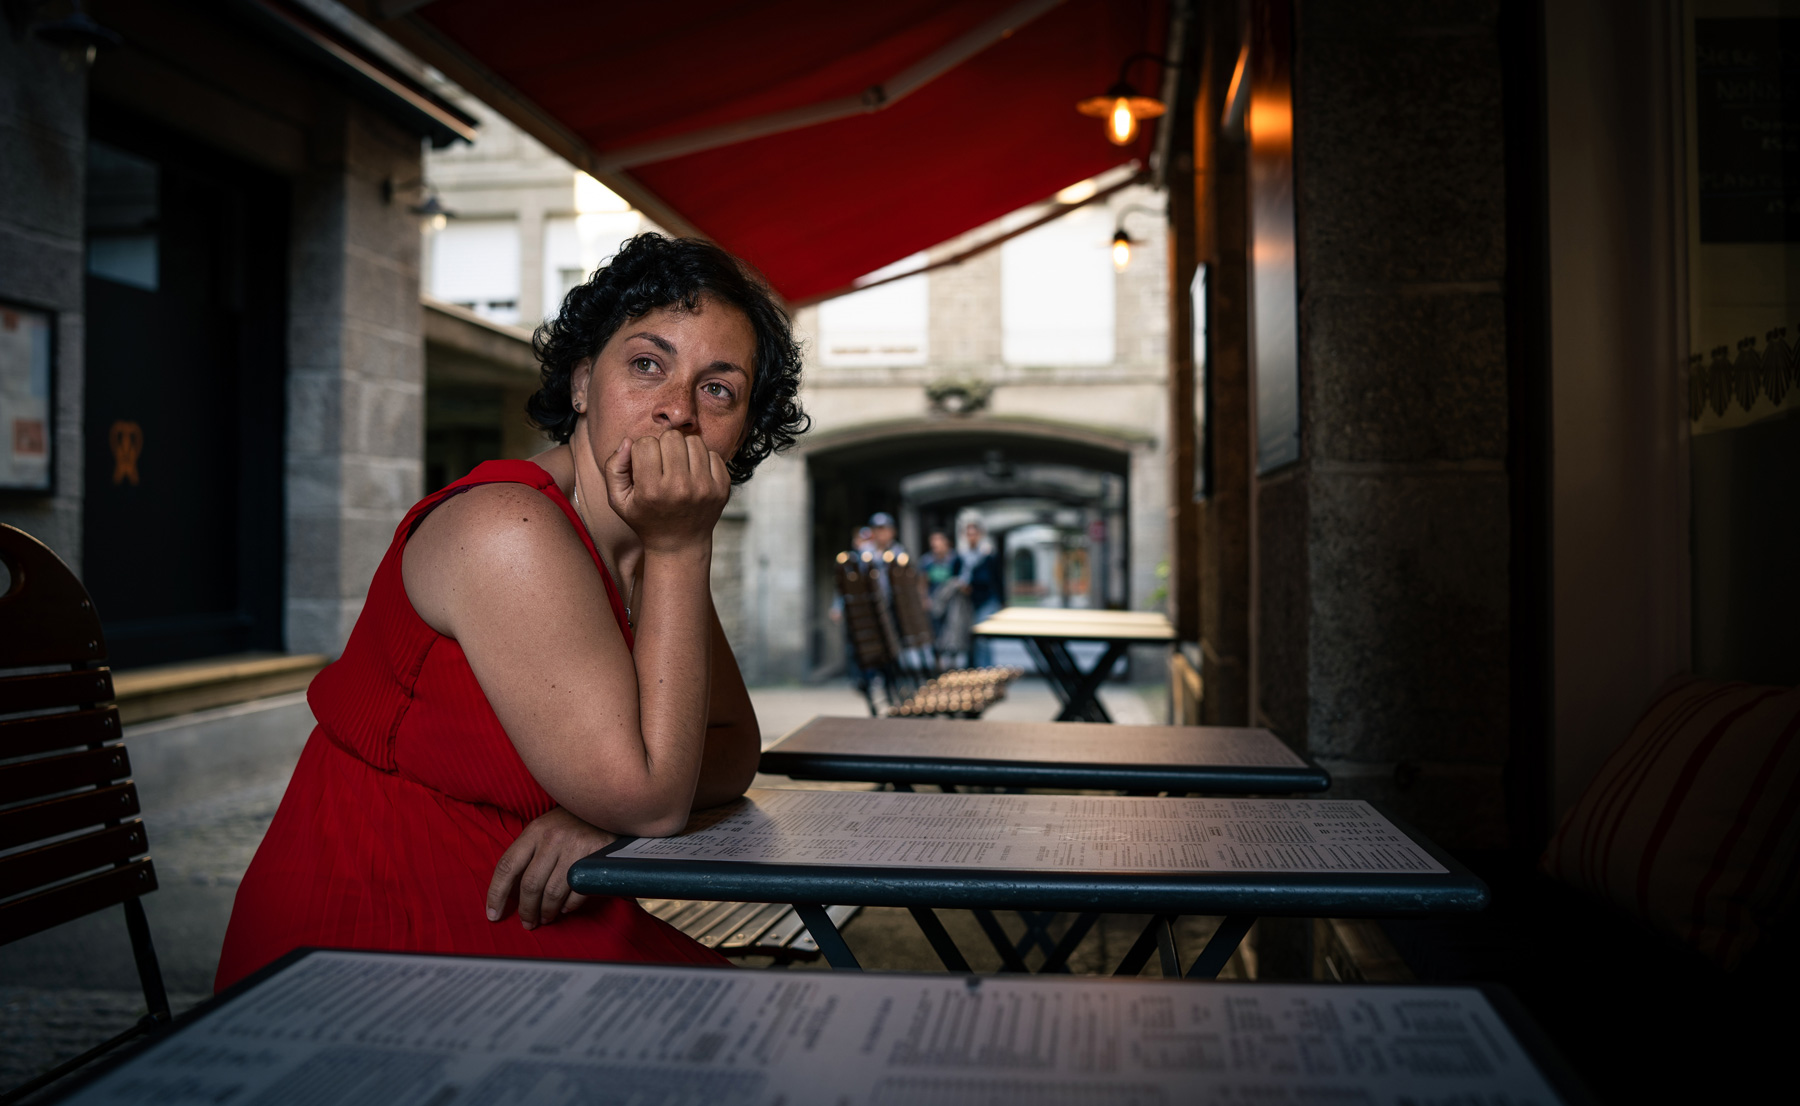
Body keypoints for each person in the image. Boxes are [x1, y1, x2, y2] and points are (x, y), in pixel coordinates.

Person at [215, 234, 808, 990]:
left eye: (718, 389)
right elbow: (654, 802)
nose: (676, 411)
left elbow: (730, 745)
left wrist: (600, 814)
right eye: (646, 365)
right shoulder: (508, 528)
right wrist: (683, 549)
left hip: (527, 917)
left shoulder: (650, 541)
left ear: (744, 430)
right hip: (377, 937)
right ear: (584, 383)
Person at [918, 531, 969, 667]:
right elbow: (923, 581)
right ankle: (938, 663)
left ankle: (952, 661)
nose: (935, 544)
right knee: (934, 633)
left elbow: (962, 580)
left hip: (951, 602)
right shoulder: (927, 560)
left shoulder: (955, 559)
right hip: (934, 602)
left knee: (952, 629)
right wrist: (924, 599)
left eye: (938, 540)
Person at [961, 519, 1002, 667]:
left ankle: (985, 669)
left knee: (983, 638)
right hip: (967, 602)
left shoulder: (988, 555)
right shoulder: (962, 556)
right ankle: (972, 668)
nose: (972, 537)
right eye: (969, 534)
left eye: (974, 534)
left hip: (986, 600)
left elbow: (997, 578)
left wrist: (1002, 600)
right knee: (969, 637)